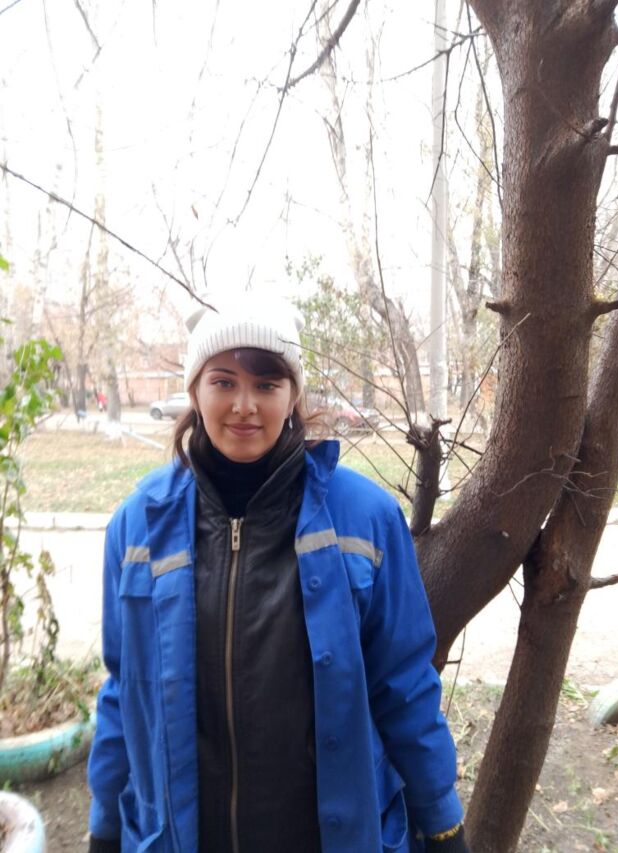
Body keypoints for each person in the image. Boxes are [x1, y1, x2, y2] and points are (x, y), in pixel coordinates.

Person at [87, 293, 470, 853]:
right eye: (223, 381)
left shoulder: (364, 518)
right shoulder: (138, 525)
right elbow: (125, 691)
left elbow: (404, 685)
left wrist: (441, 820)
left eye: (266, 384)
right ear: (194, 391)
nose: (244, 405)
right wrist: (104, 823)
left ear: (293, 397)